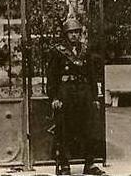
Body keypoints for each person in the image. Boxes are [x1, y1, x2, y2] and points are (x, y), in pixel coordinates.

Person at [46, 17, 104, 175]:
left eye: (77, 32)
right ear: (66, 34)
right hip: (66, 93)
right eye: (71, 32)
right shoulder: (58, 51)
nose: (74, 35)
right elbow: (52, 77)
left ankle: (89, 164)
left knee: (88, 128)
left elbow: (92, 75)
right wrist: (54, 98)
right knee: (64, 129)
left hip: (84, 93)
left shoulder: (86, 51)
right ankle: (64, 165)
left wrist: (94, 98)